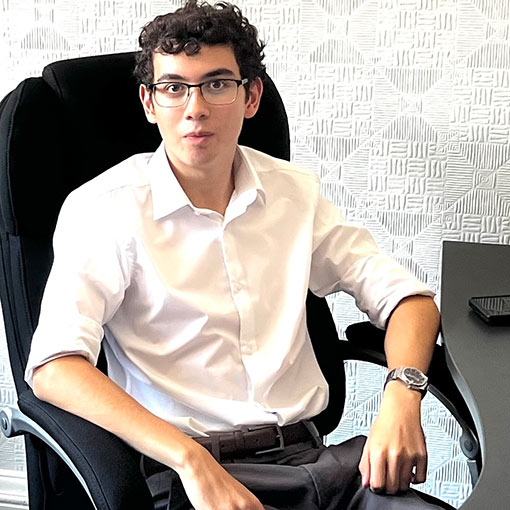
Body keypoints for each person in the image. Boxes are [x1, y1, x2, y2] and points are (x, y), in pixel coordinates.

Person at [24, 1, 443, 509]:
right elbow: (55, 367)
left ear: (251, 96)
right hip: (185, 478)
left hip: (319, 468)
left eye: (217, 84)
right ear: (149, 102)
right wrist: (189, 459)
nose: (195, 108)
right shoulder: (104, 209)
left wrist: (403, 394)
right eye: (174, 87)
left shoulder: (294, 193)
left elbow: (409, 301)